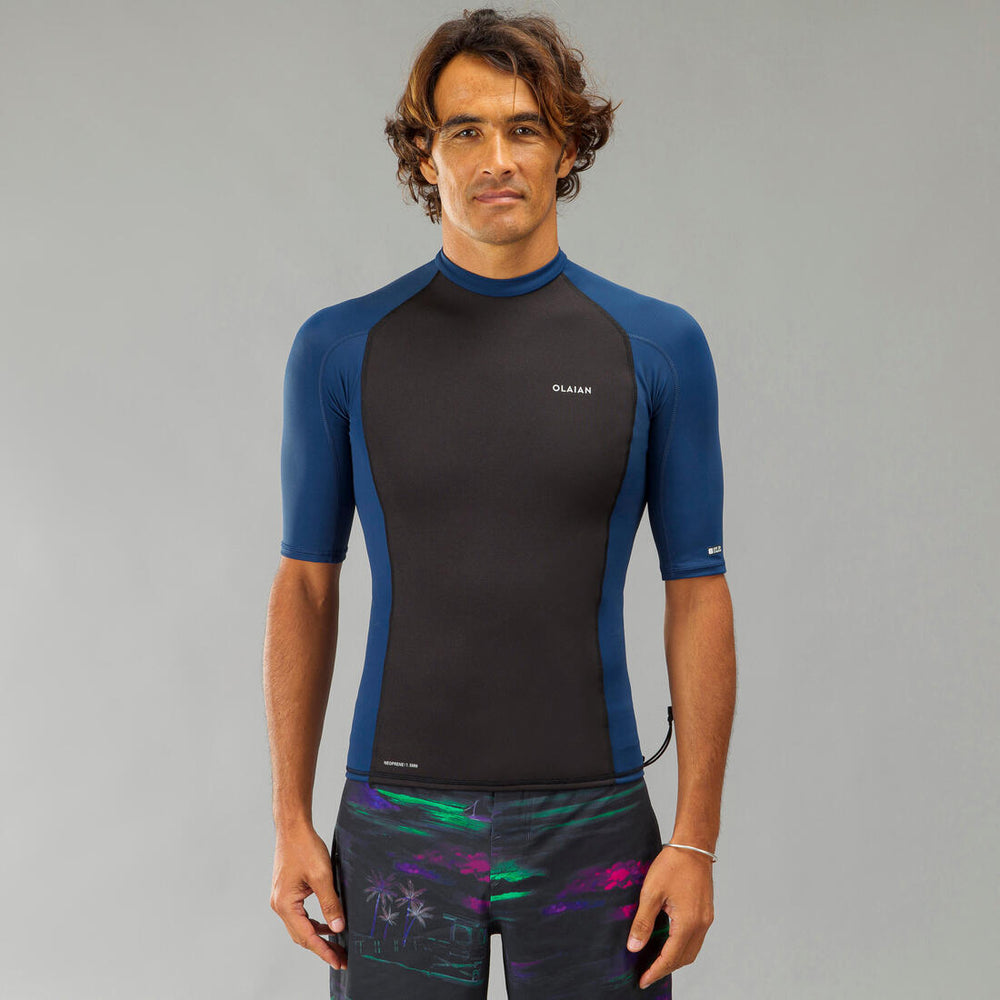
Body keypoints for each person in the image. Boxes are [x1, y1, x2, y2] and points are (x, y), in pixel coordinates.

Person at [264, 8, 736, 998]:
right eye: (465, 130)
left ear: (566, 146)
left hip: (594, 826)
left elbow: (697, 590)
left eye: (525, 128)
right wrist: (290, 820)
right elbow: (305, 584)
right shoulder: (342, 349)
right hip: (398, 827)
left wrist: (696, 838)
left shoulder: (656, 348)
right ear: (423, 153)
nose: (497, 158)